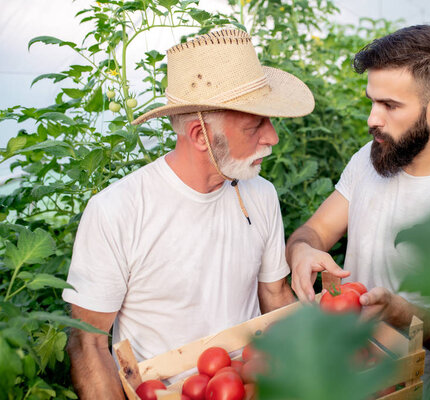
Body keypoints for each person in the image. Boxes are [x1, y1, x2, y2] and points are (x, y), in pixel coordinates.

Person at [62, 28, 314, 399]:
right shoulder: (117, 211)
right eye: (254, 125)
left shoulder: (260, 194)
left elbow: (274, 294)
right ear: (200, 136)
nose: (272, 137)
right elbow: (88, 342)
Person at [286, 25, 430, 397]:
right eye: (372, 101)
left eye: (390, 105)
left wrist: (403, 315)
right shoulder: (370, 159)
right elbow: (314, 231)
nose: (373, 119)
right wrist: (302, 251)